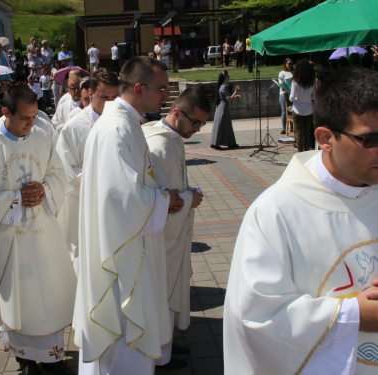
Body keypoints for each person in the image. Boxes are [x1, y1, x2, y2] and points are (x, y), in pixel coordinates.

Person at [224, 67, 378, 375]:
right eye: (370, 139)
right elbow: (256, 319)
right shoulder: (276, 212)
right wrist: (353, 314)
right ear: (325, 138)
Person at [72, 56, 185, 375]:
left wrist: (162, 198)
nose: (166, 95)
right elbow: (119, 199)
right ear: (138, 88)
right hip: (122, 262)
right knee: (121, 345)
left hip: (130, 247)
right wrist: (165, 199)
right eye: (162, 88)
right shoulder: (117, 129)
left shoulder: (126, 124)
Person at [0, 84, 76, 375]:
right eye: (25, 118)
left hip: (42, 232)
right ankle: (24, 360)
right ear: (6, 113)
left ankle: (52, 356)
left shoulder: (41, 134)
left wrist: (45, 188)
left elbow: (57, 171)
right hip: (8, 240)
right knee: (20, 300)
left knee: (47, 295)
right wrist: (14, 199)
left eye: (35, 116)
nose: (31, 123)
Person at [142, 87, 210, 370]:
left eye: (202, 124)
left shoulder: (173, 139)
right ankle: (158, 354)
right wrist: (189, 198)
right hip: (162, 235)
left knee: (169, 289)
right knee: (162, 291)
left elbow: (174, 185)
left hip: (175, 229)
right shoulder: (158, 145)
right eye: (195, 122)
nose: (197, 128)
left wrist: (187, 191)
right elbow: (160, 199)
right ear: (176, 112)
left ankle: (166, 347)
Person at [56, 68, 118, 274]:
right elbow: (65, 170)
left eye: (114, 97)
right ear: (90, 94)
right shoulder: (74, 127)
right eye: (104, 97)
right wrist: (98, 180)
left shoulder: (121, 123)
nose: (110, 103)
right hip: (85, 204)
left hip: (116, 204)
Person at [289, 58, 315, 152]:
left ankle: (300, 152)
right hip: (309, 109)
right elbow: (313, 95)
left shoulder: (295, 81)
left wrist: (296, 99)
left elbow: (292, 97)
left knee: (299, 133)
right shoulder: (312, 81)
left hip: (297, 109)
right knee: (307, 132)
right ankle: (307, 151)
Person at [210, 70, 240, 149]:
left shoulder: (222, 86)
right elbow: (229, 99)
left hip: (221, 107)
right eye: (228, 76)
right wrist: (235, 92)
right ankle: (223, 143)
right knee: (224, 125)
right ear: (225, 78)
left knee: (220, 126)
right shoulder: (224, 86)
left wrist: (234, 96)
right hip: (223, 108)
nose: (229, 77)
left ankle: (216, 142)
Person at [279, 58, 293, 135]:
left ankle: (292, 127)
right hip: (283, 94)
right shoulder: (282, 73)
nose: (290, 65)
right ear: (285, 64)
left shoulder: (293, 73)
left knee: (291, 110)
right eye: (289, 63)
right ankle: (284, 128)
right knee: (284, 111)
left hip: (291, 94)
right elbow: (281, 86)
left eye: (291, 63)